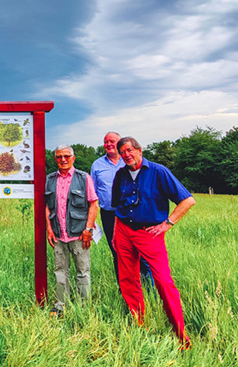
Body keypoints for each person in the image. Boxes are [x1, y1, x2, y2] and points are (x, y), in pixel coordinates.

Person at [111, 136, 195, 348]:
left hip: (149, 233)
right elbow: (116, 205)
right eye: (122, 152)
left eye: (129, 150)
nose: (126, 155)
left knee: (163, 281)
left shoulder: (159, 171)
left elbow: (187, 200)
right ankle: (138, 324)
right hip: (122, 230)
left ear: (139, 150)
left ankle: (180, 334)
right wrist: (114, 232)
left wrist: (168, 223)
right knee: (128, 279)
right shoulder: (120, 175)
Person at [90, 132, 153, 285]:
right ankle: (124, 288)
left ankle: (148, 287)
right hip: (109, 215)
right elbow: (93, 192)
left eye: (112, 141)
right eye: (106, 142)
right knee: (118, 252)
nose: (108, 144)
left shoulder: (129, 160)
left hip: (135, 213)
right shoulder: (97, 165)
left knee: (142, 251)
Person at [45, 145, 100, 317]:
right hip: (58, 234)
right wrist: (49, 229)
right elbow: (47, 206)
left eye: (67, 156)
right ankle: (61, 305)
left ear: (73, 158)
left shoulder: (83, 178)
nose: (63, 159)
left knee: (82, 272)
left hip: (79, 234)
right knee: (60, 270)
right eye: (59, 156)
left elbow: (94, 204)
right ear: (55, 159)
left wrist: (88, 230)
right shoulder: (50, 179)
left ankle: (83, 308)